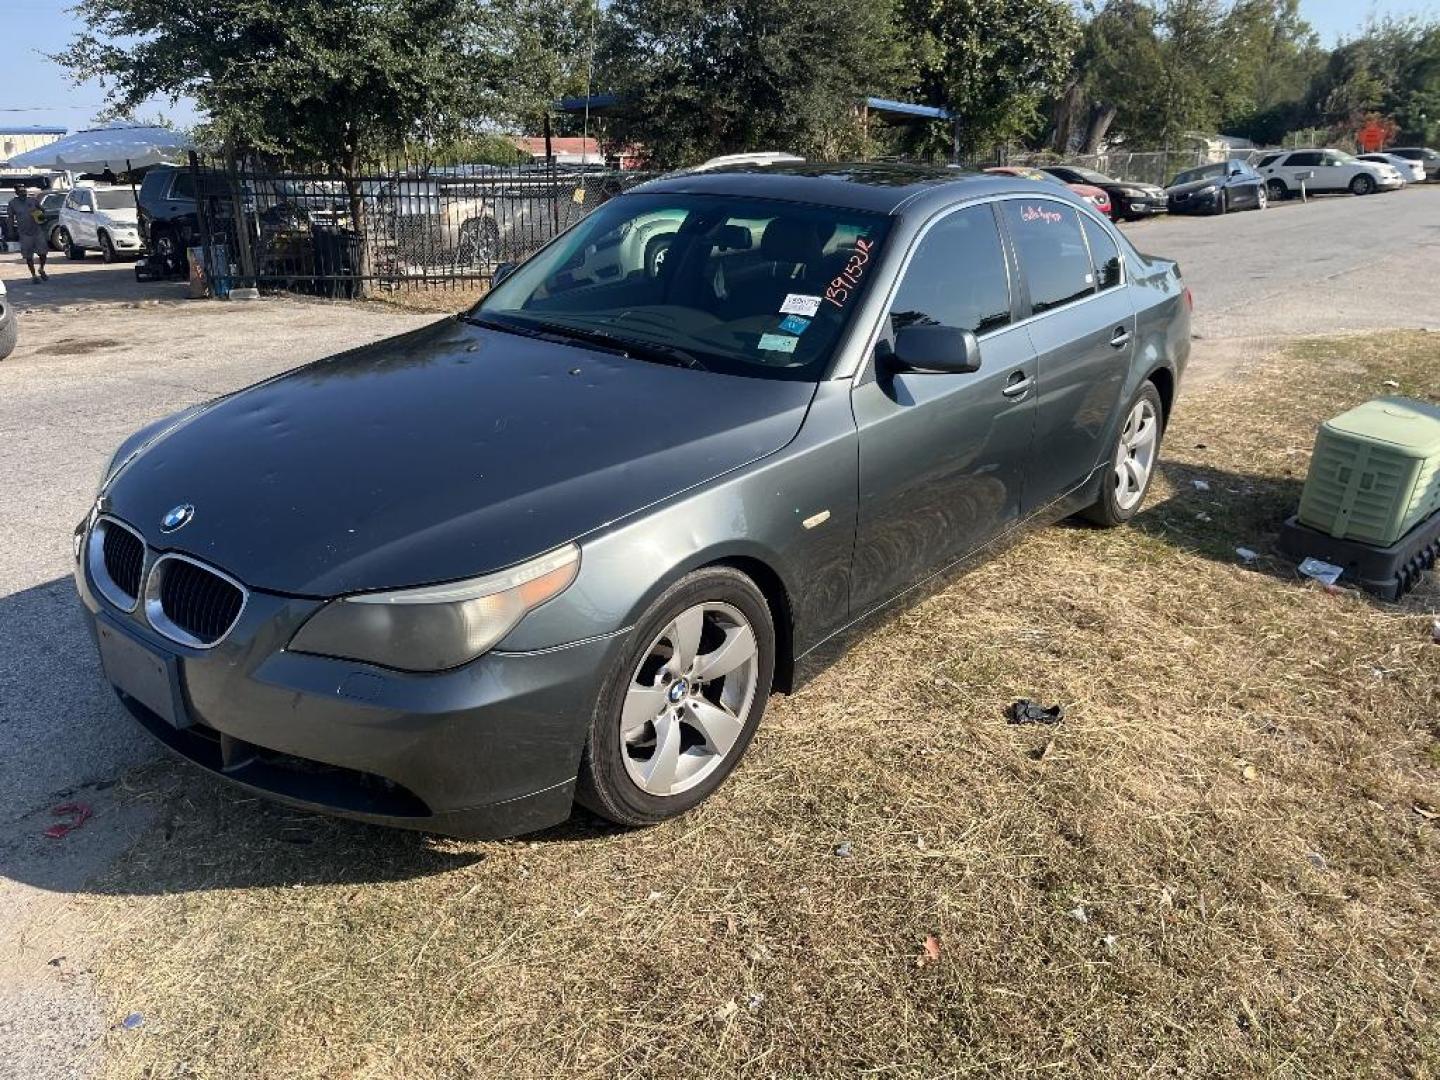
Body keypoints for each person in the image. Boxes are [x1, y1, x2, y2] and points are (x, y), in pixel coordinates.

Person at [7, 184, 48, 282]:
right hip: (24, 233)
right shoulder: (13, 203)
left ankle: (41, 269)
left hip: (37, 231)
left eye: (24, 191)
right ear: (16, 193)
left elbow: (42, 211)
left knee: (43, 253)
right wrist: (11, 231)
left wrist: (40, 214)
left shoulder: (33, 200)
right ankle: (34, 275)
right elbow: (10, 218)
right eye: (20, 191)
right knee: (29, 256)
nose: (23, 193)